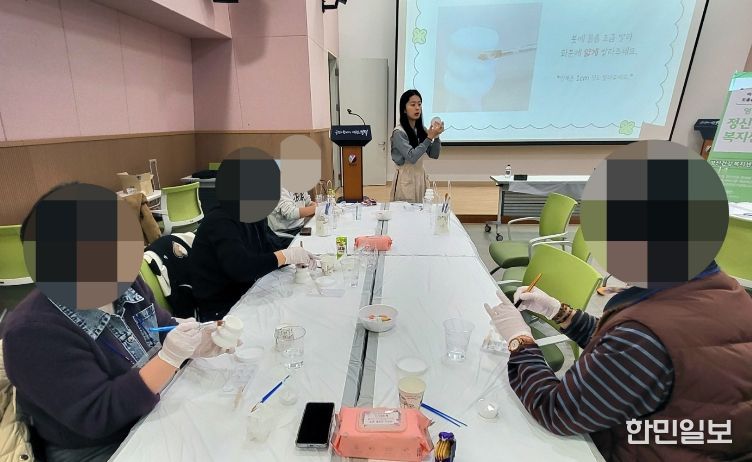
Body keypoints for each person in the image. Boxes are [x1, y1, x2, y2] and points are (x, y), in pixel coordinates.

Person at [2, 187, 231, 462]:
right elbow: (98, 415)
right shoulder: (32, 333)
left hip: (150, 410)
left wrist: (198, 341)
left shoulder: (125, 282)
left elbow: (162, 326)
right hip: (97, 445)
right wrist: (170, 358)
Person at [484, 260, 752, 460]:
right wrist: (558, 311)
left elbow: (558, 410)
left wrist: (520, 341)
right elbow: (619, 351)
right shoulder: (722, 288)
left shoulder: (642, 336)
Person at [190, 206, 317, 321]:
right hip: (222, 307)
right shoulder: (220, 221)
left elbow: (270, 247)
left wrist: (292, 255)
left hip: (248, 288)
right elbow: (241, 268)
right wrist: (285, 256)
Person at [390, 89, 444, 203]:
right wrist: (429, 138)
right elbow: (412, 157)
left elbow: (434, 154)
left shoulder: (421, 129)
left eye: (419, 104)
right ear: (404, 109)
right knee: (405, 211)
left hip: (421, 178)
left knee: (422, 209)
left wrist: (436, 136)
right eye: (413, 104)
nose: (417, 108)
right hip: (405, 178)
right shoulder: (399, 132)